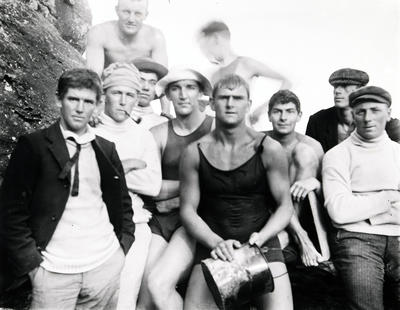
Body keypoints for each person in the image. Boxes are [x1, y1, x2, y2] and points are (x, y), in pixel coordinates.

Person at [0, 68, 135, 309]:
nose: (80, 108)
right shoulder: (34, 146)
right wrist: (33, 267)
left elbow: (123, 205)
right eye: (73, 99)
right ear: (58, 100)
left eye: (88, 101)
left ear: (97, 105)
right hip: (53, 273)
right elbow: (10, 213)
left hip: (104, 266)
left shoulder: (106, 148)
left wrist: (121, 250)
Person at [180, 74, 294, 309]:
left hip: (261, 242)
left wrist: (261, 237)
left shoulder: (269, 149)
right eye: (223, 97)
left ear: (248, 105)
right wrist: (215, 243)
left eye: (237, 98)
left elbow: (285, 205)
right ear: (212, 103)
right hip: (214, 245)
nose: (230, 103)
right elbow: (188, 210)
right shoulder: (194, 152)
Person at [137, 68, 214, 310]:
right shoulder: (158, 133)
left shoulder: (215, 129)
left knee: (159, 284)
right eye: (176, 88)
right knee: (144, 300)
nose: (183, 95)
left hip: (195, 223)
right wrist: (191, 185)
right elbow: (151, 188)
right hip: (161, 221)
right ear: (168, 95)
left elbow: (220, 185)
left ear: (201, 92)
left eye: (190, 87)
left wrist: (177, 199)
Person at [322, 86, 400, 310]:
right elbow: (339, 211)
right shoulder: (338, 155)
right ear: (353, 114)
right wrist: (389, 196)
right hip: (357, 239)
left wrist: (364, 206)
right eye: (360, 111)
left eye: (375, 110)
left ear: (388, 112)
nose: (368, 118)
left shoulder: (397, 153)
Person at [94, 62, 162, 309]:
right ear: (104, 94)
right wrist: (128, 166)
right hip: (93, 224)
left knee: (125, 298)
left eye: (130, 95)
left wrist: (107, 170)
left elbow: (153, 185)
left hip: (134, 224)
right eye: (117, 93)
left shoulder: (142, 135)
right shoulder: (90, 128)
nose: (123, 101)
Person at [266, 90, 327, 267]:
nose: (283, 117)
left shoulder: (312, 146)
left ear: (299, 115)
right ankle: (299, 237)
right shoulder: (260, 140)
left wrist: (315, 183)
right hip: (267, 210)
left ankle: (295, 235)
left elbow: (327, 195)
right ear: (269, 115)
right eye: (277, 111)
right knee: (266, 149)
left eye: (289, 111)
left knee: (304, 153)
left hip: (301, 214)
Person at [86, 0, 171, 116]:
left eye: (138, 14)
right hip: (109, 99)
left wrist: (165, 112)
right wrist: (93, 110)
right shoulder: (99, 33)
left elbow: (163, 80)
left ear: (146, 15)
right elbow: (93, 77)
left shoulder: (155, 37)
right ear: (117, 11)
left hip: (139, 99)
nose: (131, 19)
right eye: (126, 12)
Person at [197, 20, 291, 126]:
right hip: (219, 132)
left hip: (243, 132)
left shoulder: (245, 64)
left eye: (205, 46)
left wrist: (262, 110)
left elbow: (287, 82)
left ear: (216, 39)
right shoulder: (212, 74)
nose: (205, 52)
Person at [306, 68, 400, 152]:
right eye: (335, 86)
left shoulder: (388, 125)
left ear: (361, 89)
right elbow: (310, 160)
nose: (337, 91)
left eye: (344, 86)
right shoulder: (317, 121)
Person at [131, 57, 170, 129]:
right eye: (141, 80)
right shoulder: (117, 118)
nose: (146, 87)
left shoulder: (163, 123)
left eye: (152, 83)